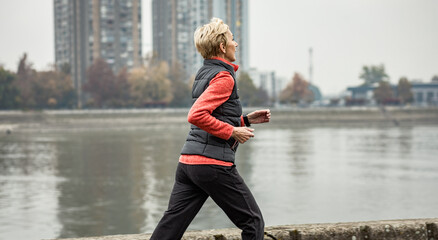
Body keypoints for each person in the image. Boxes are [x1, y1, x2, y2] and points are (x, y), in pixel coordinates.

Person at [150, 18, 271, 240]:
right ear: (223, 47)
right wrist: (232, 132)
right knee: (253, 223)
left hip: (188, 164)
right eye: (233, 39)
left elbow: (214, 115)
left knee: (170, 227)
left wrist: (244, 121)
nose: (236, 44)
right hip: (213, 166)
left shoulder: (204, 73)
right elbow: (196, 115)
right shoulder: (224, 77)